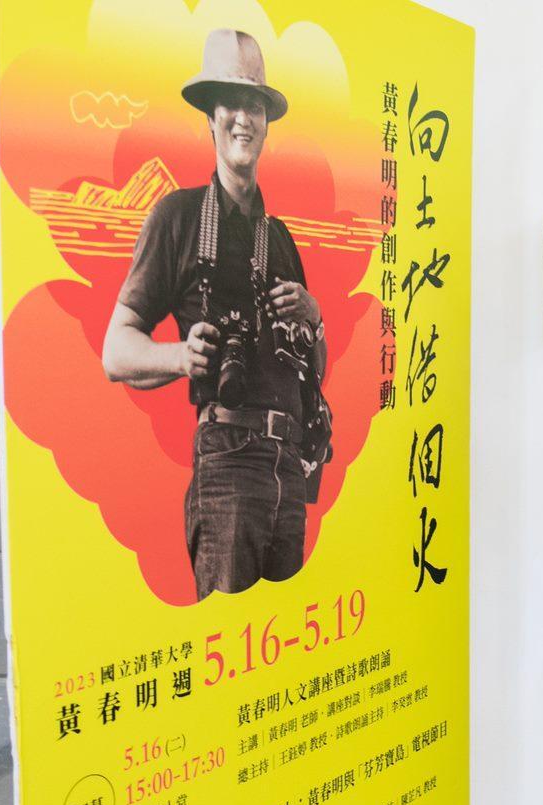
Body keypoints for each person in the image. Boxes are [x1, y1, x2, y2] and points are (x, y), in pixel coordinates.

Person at [102, 29, 327, 601]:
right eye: (231, 103)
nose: (244, 119)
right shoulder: (177, 218)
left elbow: (313, 367)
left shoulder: (278, 237)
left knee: (283, 669)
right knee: (227, 663)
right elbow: (116, 350)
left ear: (267, 120)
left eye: (255, 103)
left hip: (290, 470)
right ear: (210, 115)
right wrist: (182, 356)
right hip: (227, 465)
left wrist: (314, 316)